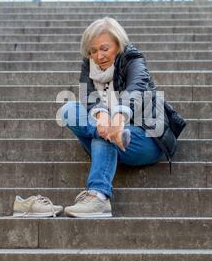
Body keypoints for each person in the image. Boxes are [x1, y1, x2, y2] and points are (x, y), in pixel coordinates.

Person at [58, 17, 188, 218]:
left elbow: (135, 90)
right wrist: (102, 117)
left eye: (104, 48)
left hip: (146, 137)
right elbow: (88, 98)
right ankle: (112, 135)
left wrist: (117, 118)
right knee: (69, 110)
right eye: (92, 51)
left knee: (104, 137)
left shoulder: (133, 59)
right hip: (114, 133)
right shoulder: (88, 66)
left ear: (118, 44)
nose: (98, 56)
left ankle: (98, 197)